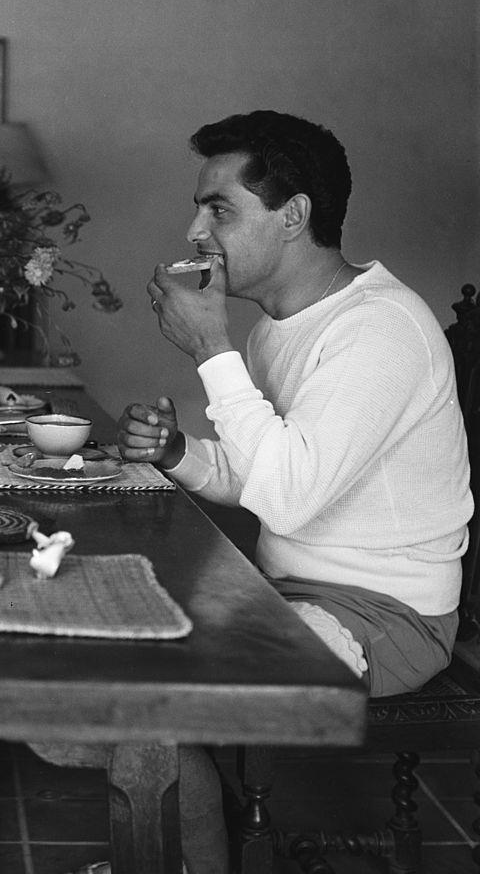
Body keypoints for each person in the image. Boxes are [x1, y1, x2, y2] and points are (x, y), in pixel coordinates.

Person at [113, 109, 472, 872]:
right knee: (126, 626)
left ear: (294, 216)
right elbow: (273, 472)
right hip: (293, 586)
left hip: (388, 615)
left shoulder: (379, 331)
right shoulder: (279, 325)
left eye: (218, 208)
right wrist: (181, 453)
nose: (193, 232)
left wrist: (211, 348)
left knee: (158, 682)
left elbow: (290, 497)